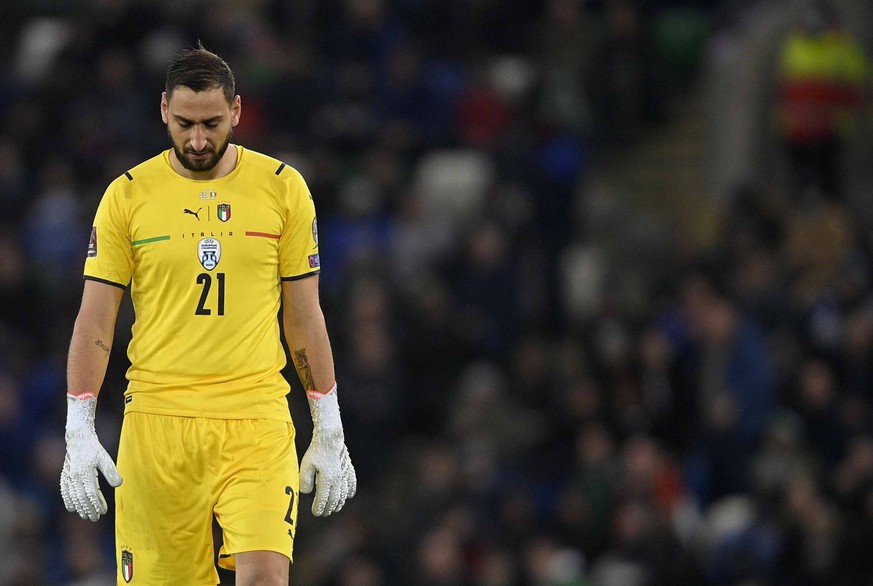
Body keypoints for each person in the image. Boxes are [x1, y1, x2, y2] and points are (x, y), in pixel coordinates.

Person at [59, 43, 357, 585]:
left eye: (213, 123)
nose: (198, 140)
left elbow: (305, 316)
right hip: (157, 422)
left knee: (266, 576)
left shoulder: (282, 189)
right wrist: (78, 426)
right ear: (164, 110)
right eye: (185, 124)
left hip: (256, 418)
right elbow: (95, 321)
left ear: (237, 112)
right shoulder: (126, 197)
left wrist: (328, 424)